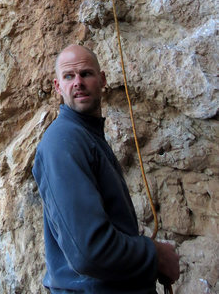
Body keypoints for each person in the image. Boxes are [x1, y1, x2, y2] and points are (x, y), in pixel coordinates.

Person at [32, 44, 180, 293]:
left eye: (86, 74)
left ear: (102, 80)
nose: (78, 82)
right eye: (69, 76)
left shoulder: (86, 137)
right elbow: (90, 251)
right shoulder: (63, 142)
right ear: (58, 87)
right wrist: (154, 254)